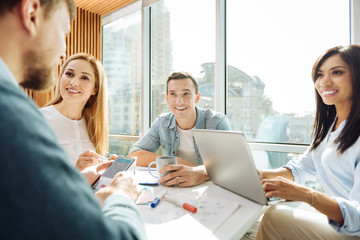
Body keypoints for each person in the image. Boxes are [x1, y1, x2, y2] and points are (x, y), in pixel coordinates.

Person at [0, 0, 145, 239]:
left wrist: (79, 182)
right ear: (32, 13)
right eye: (64, 31)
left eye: (85, 78)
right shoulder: (17, 118)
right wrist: (120, 196)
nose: (63, 52)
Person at [256, 45, 360, 239]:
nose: (325, 82)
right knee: (281, 208)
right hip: (341, 224)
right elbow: (300, 169)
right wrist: (257, 174)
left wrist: (307, 195)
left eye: (337, 72)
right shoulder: (330, 130)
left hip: (354, 230)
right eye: (319, 75)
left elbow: (358, 217)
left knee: (274, 218)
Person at [129, 71, 231, 187]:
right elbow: (134, 155)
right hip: (174, 187)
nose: (179, 101)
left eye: (186, 94)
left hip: (210, 187)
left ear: (197, 97)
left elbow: (231, 164)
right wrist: (179, 163)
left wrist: (200, 173)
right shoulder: (162, 123)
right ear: (167, 98)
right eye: (173, 94)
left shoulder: (217, 122)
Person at [40, 53, 111, 170]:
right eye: (69, 74)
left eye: (84, 78)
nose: (73, 82)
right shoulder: (39, 119)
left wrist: (106, 166)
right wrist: (76, 173)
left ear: (95, 89)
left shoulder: (93, 126)